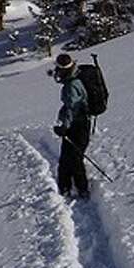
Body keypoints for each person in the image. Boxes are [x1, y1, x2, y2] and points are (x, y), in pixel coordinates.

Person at [52, 53, 90, 199]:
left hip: (76, 126)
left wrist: (64, 127)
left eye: (58, 69)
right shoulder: (75, 80)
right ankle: (68, 188)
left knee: (73, 158)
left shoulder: (71, 85)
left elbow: (71, 108)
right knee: (70, 158)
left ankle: (79, 190)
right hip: (79, 124)